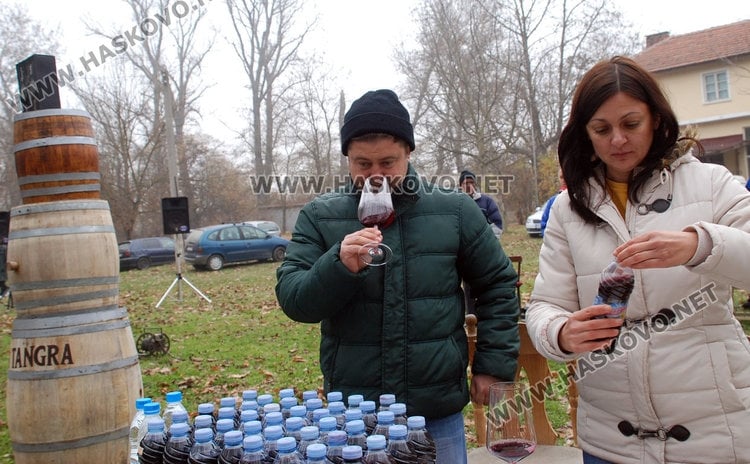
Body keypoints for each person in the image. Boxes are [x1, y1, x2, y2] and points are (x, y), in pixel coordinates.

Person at [275, 89, 520, 464]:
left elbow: (498, 285)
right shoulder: (319, 216)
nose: (375, 176)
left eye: (388, 162)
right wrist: (338, 266)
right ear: (347, 159)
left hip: (434, 411)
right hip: (353, 417)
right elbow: (294, 300)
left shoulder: (455, 210)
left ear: (409, 153)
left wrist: (492, 366)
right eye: (362, 164)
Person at [525, 56, 750, 464]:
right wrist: (560, 333)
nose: (617, 140)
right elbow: (546, 305)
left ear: (657, 121)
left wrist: (700, 245)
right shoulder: (566, 209)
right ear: (585, 133)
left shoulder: (711, 183)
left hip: (716, 431)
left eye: (631, 124)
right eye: (601, 129)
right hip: (611, 439)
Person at [458, 170, 504, 237]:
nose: (469, 185)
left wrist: (491, 241)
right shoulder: (455, 202)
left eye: (471, 182)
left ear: (475, 184)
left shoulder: (487, 201)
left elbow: (496, 223)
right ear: (461, 186)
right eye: (465, 183)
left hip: (484, 243)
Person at [539, 167, 566, 237]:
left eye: (566, 176)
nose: (564, 180)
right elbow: (544, 225)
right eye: (561, 177)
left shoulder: (581, 199)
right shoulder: (553, 201)